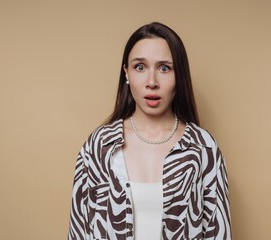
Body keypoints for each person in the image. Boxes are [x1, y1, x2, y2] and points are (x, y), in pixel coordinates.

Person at [68, 22, 231, 240]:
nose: (152, 82)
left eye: (164, 68)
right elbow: (78, 232)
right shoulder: (98, 147)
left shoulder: (203, 148)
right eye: (140, 67)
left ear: (179, 75)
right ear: (126, 73)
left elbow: (219, 234)